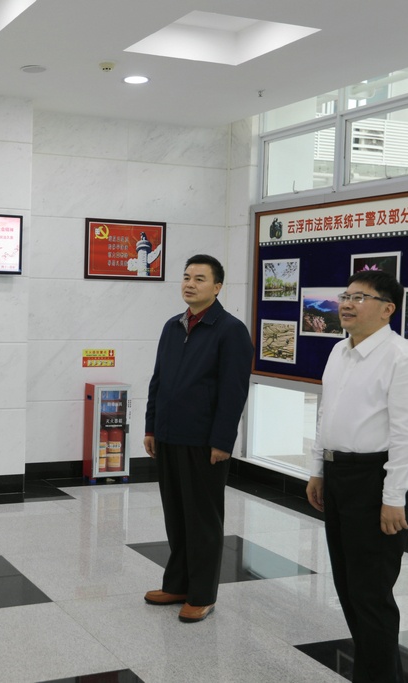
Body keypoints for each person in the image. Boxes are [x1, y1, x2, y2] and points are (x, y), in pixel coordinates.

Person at [306, 270, 408, 683]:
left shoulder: (402, 358)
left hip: (375, 481)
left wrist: (393, 498)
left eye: (360, 297)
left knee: (371, 593)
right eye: (346, 295)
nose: (346, 303)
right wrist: (318, 470)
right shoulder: (338, 351)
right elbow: (326, 414)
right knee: (348, 586)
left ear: (387, 309)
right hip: (338, 473)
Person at [143, 254, 254, 622]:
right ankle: (177, 584)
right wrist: (151, 426)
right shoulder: (173, 326)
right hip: (169, 435)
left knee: (202, 520)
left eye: (200, 279)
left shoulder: (230, 330)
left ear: (217, 287)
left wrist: (223, 440)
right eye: (187, 277)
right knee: (176, 516)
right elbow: (158, 381)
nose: (190, 284)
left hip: (204, 441)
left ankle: (202, 594)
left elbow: (234, 391)